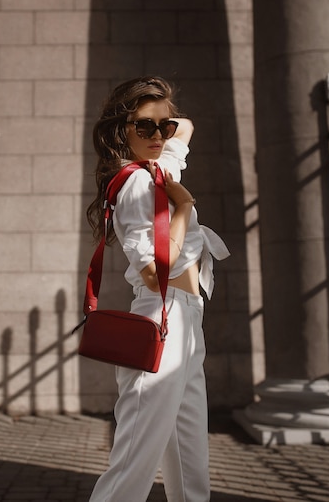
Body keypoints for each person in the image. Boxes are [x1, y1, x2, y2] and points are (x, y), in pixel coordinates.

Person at [86, 76, 230, 502]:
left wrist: (170, 124)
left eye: (162, 127)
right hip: (161, 317)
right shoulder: (137, 183)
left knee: (190, 461)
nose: (157, 135)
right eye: (142, 126)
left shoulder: (158, 171)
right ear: (122, 130)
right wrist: (183, 208)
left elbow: (181, 136)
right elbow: (155, 272)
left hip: (187, 317)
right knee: (133, 465)